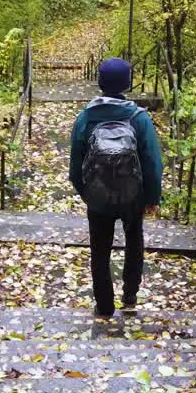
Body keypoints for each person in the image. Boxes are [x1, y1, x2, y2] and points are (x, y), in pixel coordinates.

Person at [69, 57, 163, 317]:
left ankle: (105, 306)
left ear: (100, 82)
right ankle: (130, 295)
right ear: (128, 83)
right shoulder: (138, 118)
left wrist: (85, 191)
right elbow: (152, 161)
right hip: (133, 195)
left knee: (100, 250)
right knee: (134, 241)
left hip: (98, 196)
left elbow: (75, 162)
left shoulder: (86, 117)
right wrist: (152, 196)